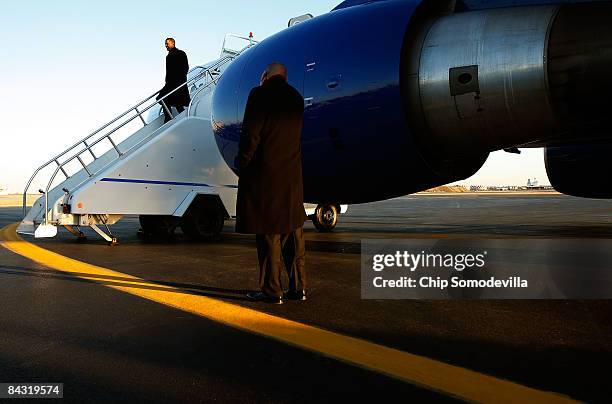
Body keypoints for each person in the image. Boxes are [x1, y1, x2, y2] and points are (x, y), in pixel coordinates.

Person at [236, 62, 307, 304]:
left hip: (267, 180)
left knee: (270, 239)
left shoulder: (259, 94)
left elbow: (250, 136)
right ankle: (299, 289)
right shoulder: (296, 98)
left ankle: (272, 291)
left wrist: (241, 164)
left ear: (265, 76)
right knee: (293, 236)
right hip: (293, 180)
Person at [157, 37, 190, 123]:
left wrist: (180, 79)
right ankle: (183, 117)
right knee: (175, 102)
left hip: (177, 82)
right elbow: (168, 71)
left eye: (167, 44)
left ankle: (168, 118)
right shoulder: (168, 56)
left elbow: (185, 67)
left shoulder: (181, 53)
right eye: (165, 44)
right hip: (171, 83)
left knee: (163, 98)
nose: (166, 45)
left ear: (173, 43)